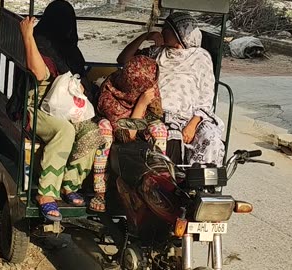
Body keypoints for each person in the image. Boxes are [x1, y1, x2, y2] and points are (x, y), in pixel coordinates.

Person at [18, 0, 104, 221]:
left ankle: (70, 184)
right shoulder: (40, 42)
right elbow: (38, 74)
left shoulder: (70, 50)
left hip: (66, 106)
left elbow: (81, 76)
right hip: (37, 106)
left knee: (92, 132)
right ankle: (46, 194)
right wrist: (28, 36)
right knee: (65, 131)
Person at [117, 12, 225, 166]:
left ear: (179, 33)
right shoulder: (157, 52)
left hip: (194, 116)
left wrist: (193, 124)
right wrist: (145, 36)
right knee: (171, 137)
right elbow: (123, 60)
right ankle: (171, 184)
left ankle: (202, 185)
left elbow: (206, 96)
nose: (162, 32)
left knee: (211, 138)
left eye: (167, 29)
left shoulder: (201, 57)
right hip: (164, 114)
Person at [90, 55, 167, 212]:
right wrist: (142, 103)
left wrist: (145, 108)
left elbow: (156, 113)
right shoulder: (109, 94)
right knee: (104, 131)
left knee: (159, 130)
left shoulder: (147, 82)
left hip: (139, 121)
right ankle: (100, 192)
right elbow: (126, 136)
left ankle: (157, 185)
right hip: (116, 129)